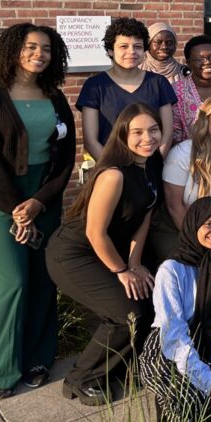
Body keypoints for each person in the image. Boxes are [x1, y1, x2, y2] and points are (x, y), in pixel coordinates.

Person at [0, 24, 76, 399]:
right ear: (13, 50)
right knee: (13, 281)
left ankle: (37, 358)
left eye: (46, 48)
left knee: (44, 279)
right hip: (0, 199)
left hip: (43, 198)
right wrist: (16, 208)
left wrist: (39, 202)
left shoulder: (56, 98)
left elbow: (64, 159)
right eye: (30, 47)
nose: (38, 54)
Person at [46, 104, 161, 404]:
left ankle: (118, 369)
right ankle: (80, 378)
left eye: (153, 130)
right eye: (137, 132)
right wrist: (121, 270)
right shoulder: (113, 174)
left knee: (144, 304)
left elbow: (143, 221)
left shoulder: (149, 167)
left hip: (109, 254)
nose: (147, 138)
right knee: (126, 314)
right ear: (122, 135)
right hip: (73, 254)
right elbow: (95, 233)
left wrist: (135, 264)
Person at [140, 197, 211, 422]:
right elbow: (173, 332)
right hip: (170, 346)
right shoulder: (171, 269)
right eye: (209, 224)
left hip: (210, 341)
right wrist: (206, 379)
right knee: (189, 397)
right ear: (194, 224)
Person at [157, 93, 211, 260]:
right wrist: (198, 243)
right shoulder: (181, 154)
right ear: (205, 118)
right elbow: (174, 207)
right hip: (179, 228)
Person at [77, 17, 176, 159]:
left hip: (151, 167)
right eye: (123, 46)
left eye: (138, 46)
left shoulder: (159, 83)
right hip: (111, 167)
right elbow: (91, 141)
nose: (132, 52)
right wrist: (112, 170)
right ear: (111, 50)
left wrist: (153, 166)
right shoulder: (95, 86)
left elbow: (167, 134)